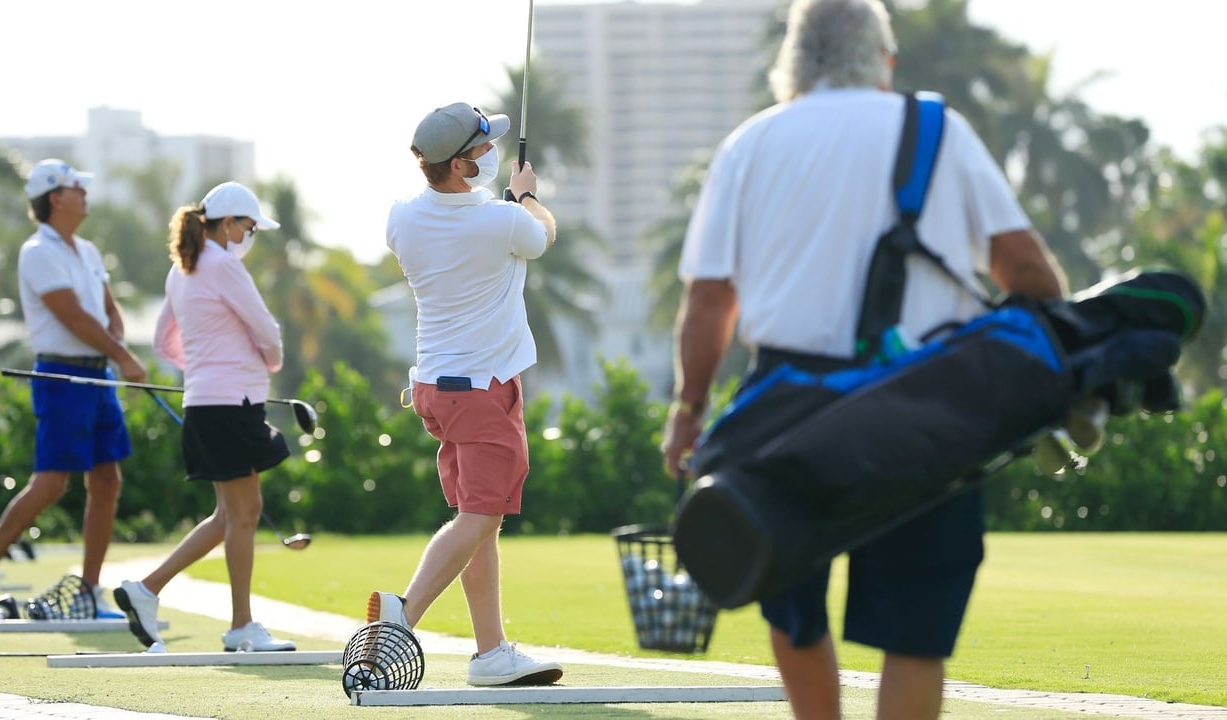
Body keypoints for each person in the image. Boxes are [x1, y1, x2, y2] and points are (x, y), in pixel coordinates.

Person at [660, 1, 1067, 718]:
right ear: (884, 58)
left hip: (787, 410)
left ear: (793, 62)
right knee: (915, 635)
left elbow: (709, 301)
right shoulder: (940, 131)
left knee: (789, 606)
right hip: (930, 411)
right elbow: (1030, 274)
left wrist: (688, 411)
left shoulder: (751, 143)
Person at [375, 101, 563, 686]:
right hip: (483, 392)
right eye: (482, 150)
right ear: (459, 165)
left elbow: (461, 217)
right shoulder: (502, 220)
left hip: (435, 390)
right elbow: (543, 235)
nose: (492, 156)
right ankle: (402, 615)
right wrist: (526, 195)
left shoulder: (401, 217)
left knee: (478, 519)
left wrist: (502, 201)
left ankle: (491, 652)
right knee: (481, 516)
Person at [0, 159, 145, 619]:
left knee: (107, 480)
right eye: (79, 187)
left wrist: (117, 342)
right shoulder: (37, 251)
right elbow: (72, 315)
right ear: (56, 197)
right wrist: (123, 356)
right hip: (60, 375)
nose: (85, 194)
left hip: (98, 376)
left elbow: (106, 308)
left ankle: (88, 593)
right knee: (53, 483)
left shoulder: (89, 251)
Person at [112, 182, 296, 653]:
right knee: (245, 514)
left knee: (227, 516)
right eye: (249, 227)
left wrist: (207, 366)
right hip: (231, 405)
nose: (250, 236)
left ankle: (147, 589)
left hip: (208, 403)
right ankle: (240, 627)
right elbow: (266, 329)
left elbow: (163, 344)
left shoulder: (184, 270)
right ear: (230, 223)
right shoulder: (222, 266)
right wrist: (265, 363)